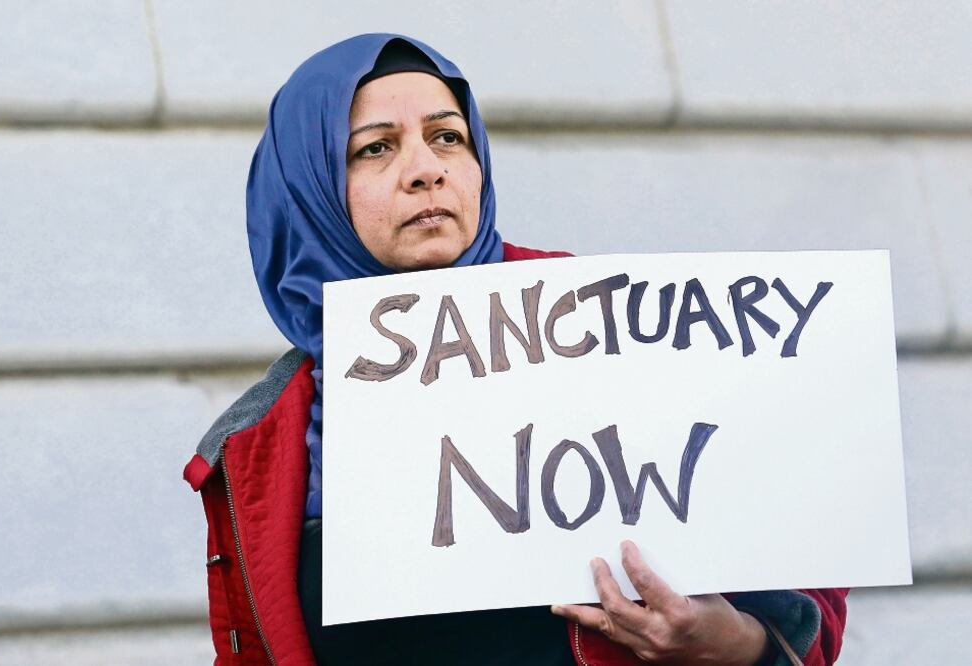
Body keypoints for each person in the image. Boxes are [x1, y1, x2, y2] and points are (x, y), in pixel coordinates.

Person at [183, 33, 848, 665]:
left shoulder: (617, 328)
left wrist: (731, 645)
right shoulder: (253, 447)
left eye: (448, 137)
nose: (426, 170)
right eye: (375, 149)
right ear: (307, 190)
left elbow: (806, 598)